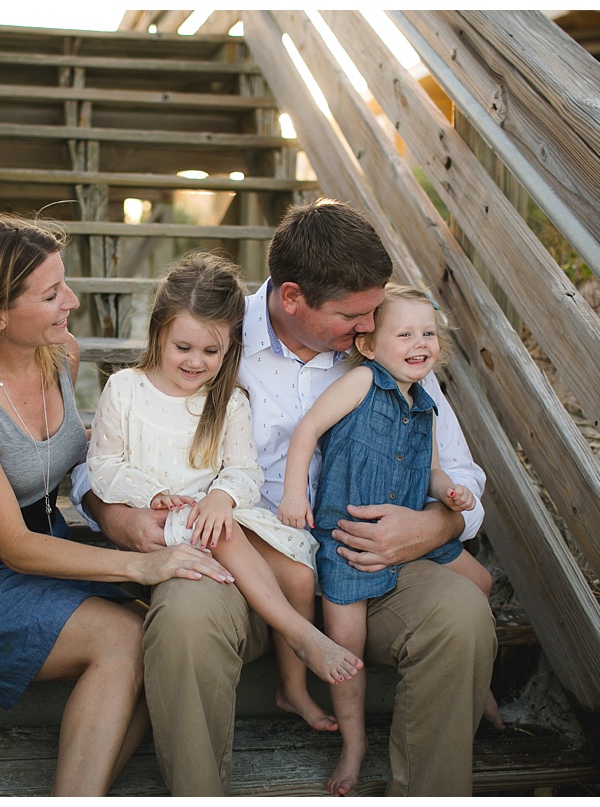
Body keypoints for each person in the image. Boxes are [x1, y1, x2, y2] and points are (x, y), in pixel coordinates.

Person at [73, 199, 496, 796]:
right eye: (353, 315)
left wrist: (433, 528)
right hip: (241, 564)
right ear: (292, 297)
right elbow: (105, 457)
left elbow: (459, 473)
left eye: (374, 310)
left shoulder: (385, 345)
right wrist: (119, 520)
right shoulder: (212, 334)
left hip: (364, 563)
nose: (369, 326)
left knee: (461, 614)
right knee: (185, 621)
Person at [0, 214, 235, 797]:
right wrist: (139, 564)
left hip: (51, 544)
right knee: (127, 638)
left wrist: (130, 511)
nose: (73, 302)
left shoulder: (60, 355)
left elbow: (82, 464)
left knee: (167, 638)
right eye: (53, 293)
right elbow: (12, 545)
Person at [87, 253, 363, 733]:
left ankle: (291, 689)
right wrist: (152, 495)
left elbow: (243, 469)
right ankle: (302, 636)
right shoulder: (124, 390)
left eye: (211, 352)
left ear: (230, 347)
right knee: (222, 534)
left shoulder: (228, 402)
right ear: (158, 333)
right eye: (183, 347)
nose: (196, 362)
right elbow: (103, 466)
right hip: (157, 523)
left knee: (298, 574)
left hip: (215, 517)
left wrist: (222, 497)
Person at [278, 283, 495, 795]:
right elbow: (307, 431)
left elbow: (436, 470)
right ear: (371, 345)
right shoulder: (358, 382)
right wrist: (293, 496)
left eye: (429, 333)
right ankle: (354, 744)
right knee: (346, 645)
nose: (420, 342)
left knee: (480, 582)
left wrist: (451, 494)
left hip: (411, 531)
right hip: (348, 541)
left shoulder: (425, 401)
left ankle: (476, 684)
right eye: (405, 334)